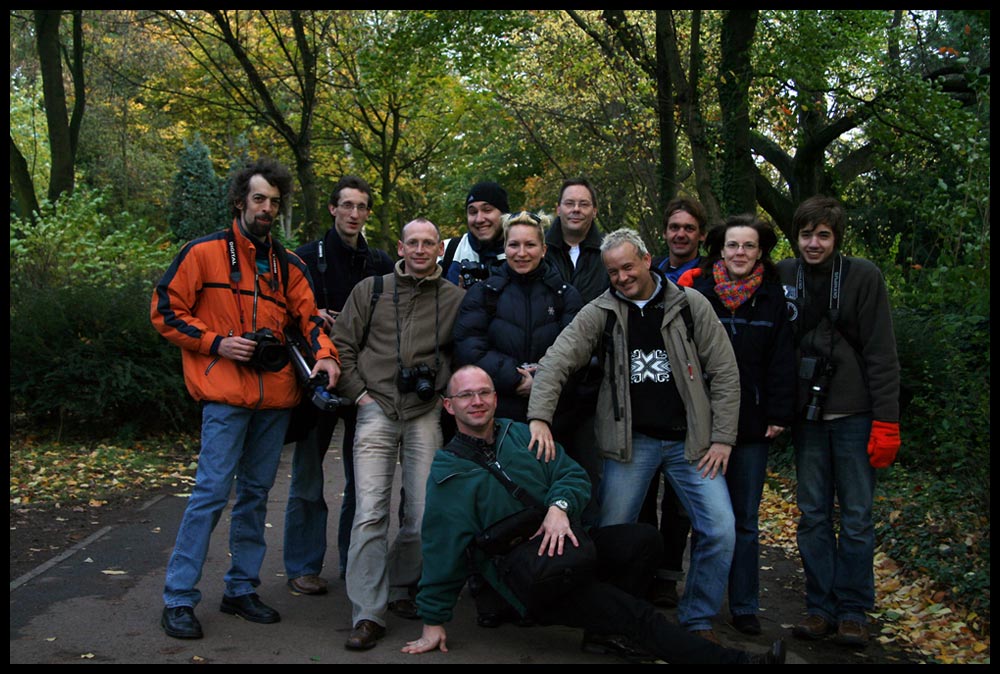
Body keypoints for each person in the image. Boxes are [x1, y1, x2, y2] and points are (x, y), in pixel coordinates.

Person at [401, 365, 785, 665]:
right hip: (531, 576)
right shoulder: (449, 473)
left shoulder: (520, 435)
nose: (477, 401)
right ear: (449, 405)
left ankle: (605, 629)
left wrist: (559, 507)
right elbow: (442, 550)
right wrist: (433, 621)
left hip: (569, 543)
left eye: (484, 392)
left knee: (643, 539)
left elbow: (572, 474)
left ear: (496, 398)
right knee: (638, 615)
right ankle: (740, 662)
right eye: (465, 395)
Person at [151, 158, 341, 640]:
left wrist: (327, 357)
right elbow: (164, 310)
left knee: (255, 496)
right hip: (225, 394)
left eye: (275, 202)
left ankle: (241, 589)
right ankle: (178, 597)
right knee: (211, 493)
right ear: (240, 201)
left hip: (275, 396)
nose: (267, 209)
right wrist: (218, 342)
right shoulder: (203, 253)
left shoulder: (288, 264)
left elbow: (309, 320)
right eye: (259, 199)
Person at [527, 228, 741, 642]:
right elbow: (556, 361)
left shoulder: (690, 305)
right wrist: (540, 417)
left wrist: (722, 437)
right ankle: (608, 623)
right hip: (631, 444)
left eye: (628, 266)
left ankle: (696, 620)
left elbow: (725, 373)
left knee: (720, 529)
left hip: (691, 443)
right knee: (613, 534)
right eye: (613, 271)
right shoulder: (601, 312)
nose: (622, 277)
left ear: (646, 259)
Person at [333, 218, 465, 650]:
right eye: (414, 242)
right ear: (400, 246)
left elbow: (464, 349)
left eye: (430, 243)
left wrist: (444, 387)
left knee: (424, 514)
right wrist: (358, 394)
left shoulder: (455, 298)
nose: (422, 249)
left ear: (440, 249)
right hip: (376, 408)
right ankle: (368, 614)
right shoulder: (371, 290)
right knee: (370, 511)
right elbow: (343, 344)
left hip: (425, 412)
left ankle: (401, 585)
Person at [777, 195, 901, 649]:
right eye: (806, 234)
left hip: (854, 414)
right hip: (807, 418)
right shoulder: (785, 274)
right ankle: (818, 607)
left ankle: (852, 610)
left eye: (823, 235)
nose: (813, 243)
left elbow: (882, 354)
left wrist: (887, 421)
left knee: (855, 517)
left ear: (837, 238)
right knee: (811, 515)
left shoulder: (863, 276)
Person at [452, 210, 584, 627]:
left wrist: (541, 380)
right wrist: (513, 378)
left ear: (544, 248)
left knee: (548, 499)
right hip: (502, 413)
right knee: (497, 506)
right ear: (504, 247)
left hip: (556, 415)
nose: (521, 252)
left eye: (530, 244)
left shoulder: (565, 292)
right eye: (514, 244)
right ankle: (492, 590)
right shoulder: (485, 293)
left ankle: (547, 585)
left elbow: (580, 345)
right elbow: (468, 347)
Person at [681, 215, 796, 635]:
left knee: (745, 520)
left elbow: (782, 359)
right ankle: (700, 605)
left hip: (751, 425)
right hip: (702, 424)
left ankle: (744, 603)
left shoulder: (772, 298)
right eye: (733, 246)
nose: (740, 254)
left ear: (760, 251)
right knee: (707, 521)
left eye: (748, 246)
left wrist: (779, 412)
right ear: (721, 250)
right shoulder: (699, 295)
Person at [283, 175, 395, 595]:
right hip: (318, 383)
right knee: (308, 479)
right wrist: (314, 318)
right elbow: (287, 316)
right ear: (333, 209)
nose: (353, 214)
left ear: (367, 212)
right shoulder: (306, 257)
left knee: (362, 482)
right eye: (346, 205)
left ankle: (355, 563)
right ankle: (303, 566)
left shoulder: (380, 262)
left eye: (361, 207)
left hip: (366, 383)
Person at [644, 195, 710, 608]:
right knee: (643, 501)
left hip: (692, 406)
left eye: (689, 228)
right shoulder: (650, 275)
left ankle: (669, 575)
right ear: (664, 232)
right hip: (649, 398)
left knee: (681, 506)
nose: (680, 234)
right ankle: (645, 570)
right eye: (674, 227)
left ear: (700, 234)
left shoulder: (711, 279)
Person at [544, 177, 610, 304]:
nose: (576, 209)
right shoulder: (539, 250)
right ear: (558, 209)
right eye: (569, 203)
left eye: (584, 204)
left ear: (594, 211)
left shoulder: (608, 251)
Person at [441, 181, 510, 287]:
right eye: (473, 212)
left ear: (504, 214)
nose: (479, 219)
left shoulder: (524, 253)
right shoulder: (447, 250)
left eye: (487, 210)